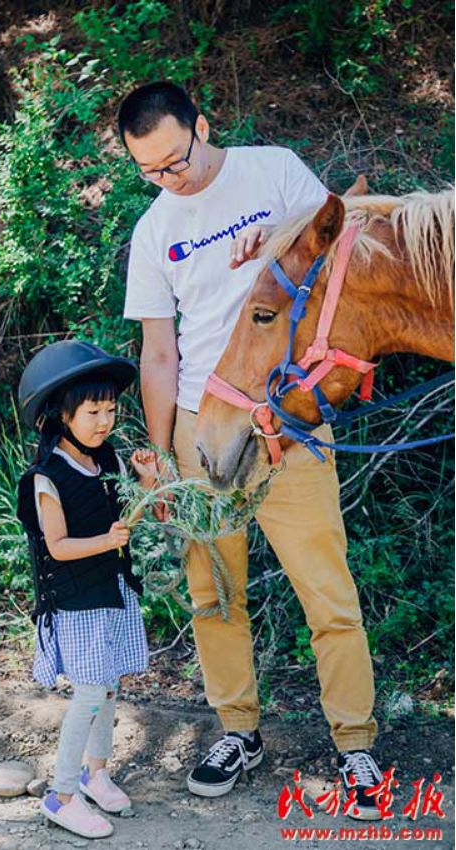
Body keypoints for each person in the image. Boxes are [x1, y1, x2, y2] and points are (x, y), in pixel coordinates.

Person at [119, 81, 383, 820]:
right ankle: (237, 731)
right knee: (213, 594)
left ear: (202, 127)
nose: (170, 178)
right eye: (150, 170)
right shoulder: (153, 230)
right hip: (201, 428)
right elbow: (158, 353)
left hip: (287, 419)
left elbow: (339, 248)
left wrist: (274, 240)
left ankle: (354, 742)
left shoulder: (273, 170)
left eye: (176, 159)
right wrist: (160, 454)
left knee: (326, 589)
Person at [17, 340, 157, 839]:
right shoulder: (46, 477)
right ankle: (61, 794)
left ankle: (95, 773)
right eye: (93, 412)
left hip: (112, 590)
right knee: (91, 691)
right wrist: (105, 541)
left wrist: (146, 482)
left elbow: (125, 519)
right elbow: (57, 547)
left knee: (110, 683)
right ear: (62, 414)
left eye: (111, 410)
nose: (104, 422)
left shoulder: (106, 459)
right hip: (77, 602)